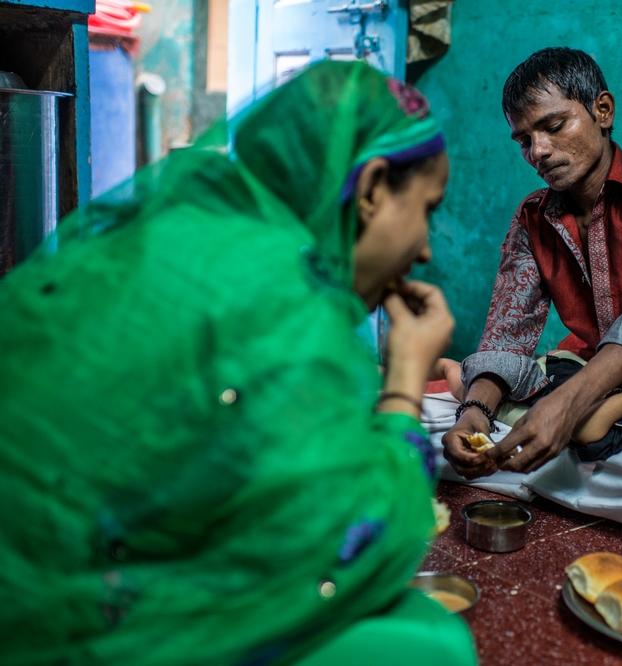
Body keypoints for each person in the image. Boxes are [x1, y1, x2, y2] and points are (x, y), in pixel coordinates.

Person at [0, 61, 476, 665]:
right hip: (46, 626)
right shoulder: (285, 306)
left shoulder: (175, 234)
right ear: (374, 188)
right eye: (428, 209)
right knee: (427, 645)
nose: (428, 247)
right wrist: (407, 377)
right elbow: (354, 542)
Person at [443, 47, 622, 479]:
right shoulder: (532, 216)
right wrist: (475, 412)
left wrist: (568, 405)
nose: (538, 150)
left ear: (603, 110)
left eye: (554, 126)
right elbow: (509, 331)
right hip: (585, 382)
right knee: (447, 424)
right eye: (523, 140)